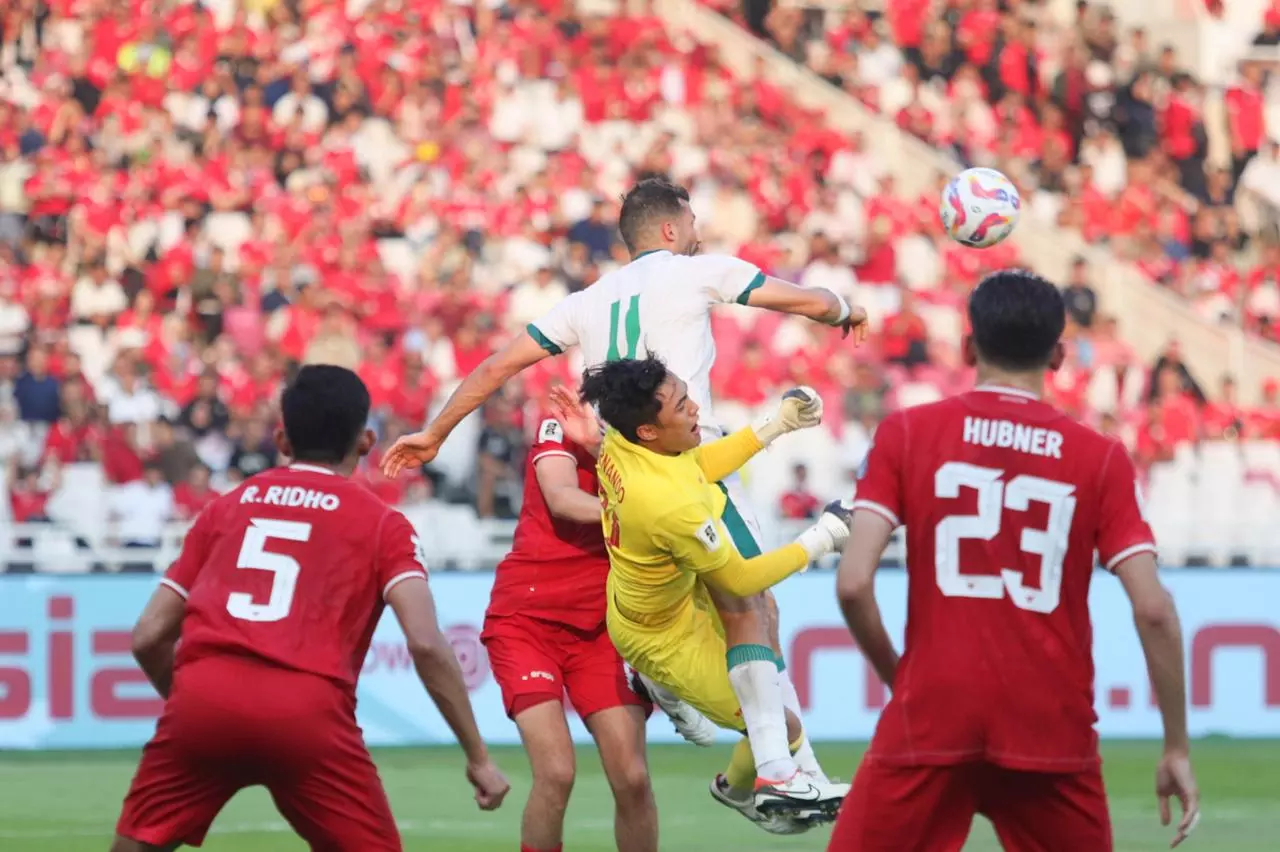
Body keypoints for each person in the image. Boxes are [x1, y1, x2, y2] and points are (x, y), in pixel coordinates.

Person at [383, 177, 869, 801]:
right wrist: (844, 307)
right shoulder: (696, 272)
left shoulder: (585, 301)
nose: (697, 233)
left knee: (731, 611)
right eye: (691, 222)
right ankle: (775, 770)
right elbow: (802, 301)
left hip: (621, 474)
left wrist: (435, 433)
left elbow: (497, 366)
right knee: (752, 607)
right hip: (691, 466)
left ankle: (774, 762)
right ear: (670, 229)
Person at [828, 270, 1200, 851]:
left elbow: (853, 584)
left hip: (932, 713)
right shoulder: (1099, 459)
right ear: (1058, 354)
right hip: (1050, 724)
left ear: (971, 346)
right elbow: (1153, 609)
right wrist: (1176, 744)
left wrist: (901, 680)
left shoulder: (906, 433)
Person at [111, 365, 509, 852]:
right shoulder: (385, 525)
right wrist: (478, 756)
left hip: (203, 697)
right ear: (365, 441)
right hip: (307, 713)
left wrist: (197, 703)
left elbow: (148, 635)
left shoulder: (225, 508)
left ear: (281, 439)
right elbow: (426, 643)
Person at [555, 357, 854, 828]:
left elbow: (699, 465)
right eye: (680, 404)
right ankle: (770, 778)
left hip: (659, 595)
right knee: (782, 718)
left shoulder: (623, 440)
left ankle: (759, 783)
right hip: (663, 636)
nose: (696, 408)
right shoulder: (668, 505)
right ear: (650, 431)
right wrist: (823, 538)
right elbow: (739, 579)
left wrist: (775, 425)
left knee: (760, 614)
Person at [481, 404, 659, 852]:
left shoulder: (653, 439)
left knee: (633, 778)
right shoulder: (560, 421)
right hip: (526, 620)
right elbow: (561, 497)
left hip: (602, 629)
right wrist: (637, 514)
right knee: (557, 771)